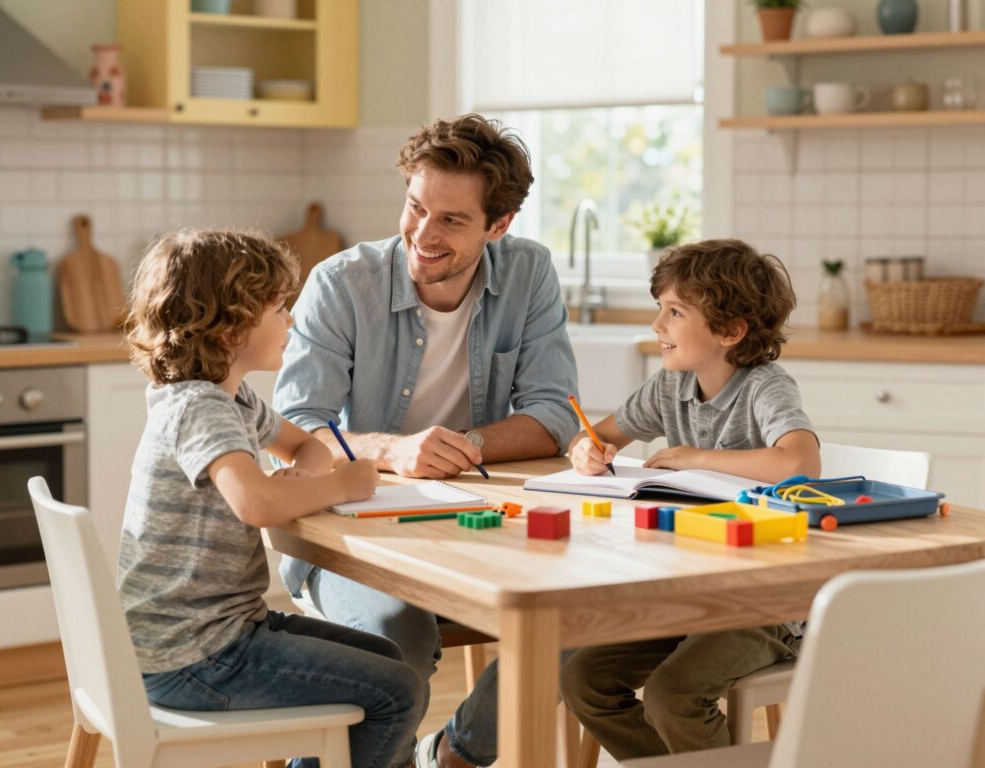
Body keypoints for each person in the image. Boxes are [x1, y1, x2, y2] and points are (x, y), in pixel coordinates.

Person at [274, 113, 580, 768]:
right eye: (416, 207)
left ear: (499, 226)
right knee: (397, 644)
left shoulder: (528, 274)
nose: (423, 234)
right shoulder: (341, 283)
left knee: (585, 612)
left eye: (452, 220)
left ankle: (458, 756)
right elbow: (294, 425)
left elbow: (555, 413)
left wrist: (465, 445)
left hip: (479, 528)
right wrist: (393, 450)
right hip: (349, 539)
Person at [118, 229, 425, 768]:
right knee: (396, 693)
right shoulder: (199, 407)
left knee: (388, 658)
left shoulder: (231, 398)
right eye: (279, 308)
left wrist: (301, 482)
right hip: (195, 656)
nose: (292, 320)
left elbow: (308, 446)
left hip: (214, 633)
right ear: (231, 327)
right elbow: (256, 505)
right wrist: (340, 486)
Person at [560, 238, 821, 761]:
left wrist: (696, 458)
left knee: (672, 696)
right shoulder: (670, 386)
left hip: (767, 602)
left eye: (675, 312)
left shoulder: (764, 387)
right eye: (660, 308)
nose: (657, 324)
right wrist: (585, 448)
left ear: (730, 331)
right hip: (690, 591)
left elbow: (799, 463)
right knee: (584, 679)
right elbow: (596, 435)